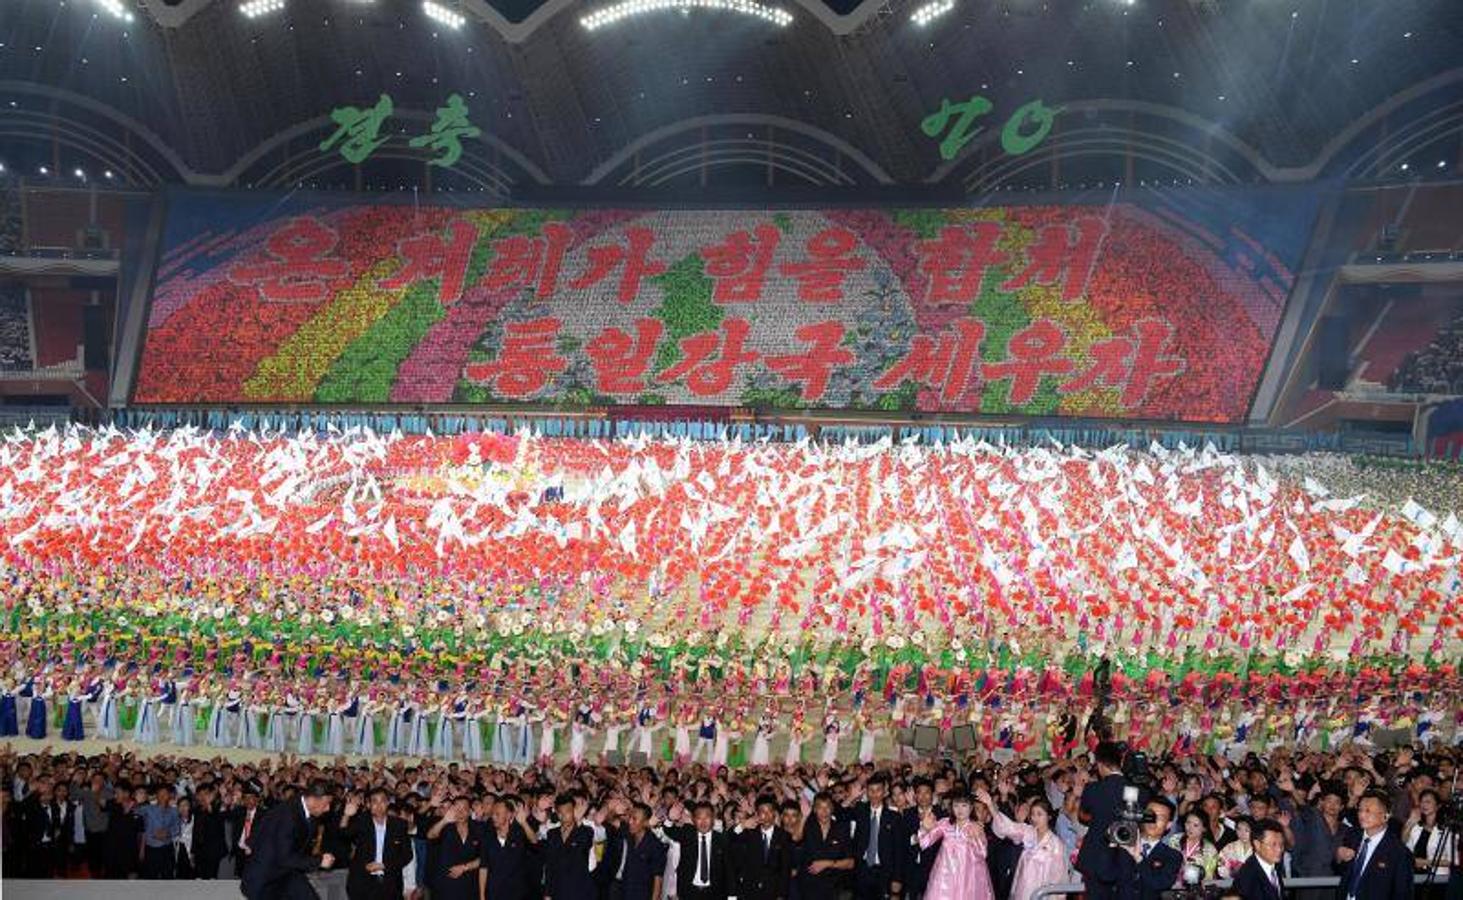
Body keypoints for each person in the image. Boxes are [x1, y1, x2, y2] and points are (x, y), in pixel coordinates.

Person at [239, 780, 337, 900]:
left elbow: (265, 823)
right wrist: (319, 861)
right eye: (326, 804)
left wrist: (252, 842)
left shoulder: (300, 805)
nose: (328, 809)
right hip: (265, 881)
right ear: (312, 799)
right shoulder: (288, 815)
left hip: (286, 873)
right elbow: (285, 857)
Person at [976, 787, 1069, 900]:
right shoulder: (1028, 831)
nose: (1035, 818)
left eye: (1039, 814)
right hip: (1023, 889)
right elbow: (1007, 827)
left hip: (1043, 891)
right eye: (1033, 814)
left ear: (1049, 816)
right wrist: (990, 804)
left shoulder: (1056, 844)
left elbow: (1059, 877)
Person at [1334, 791, 1416, 900]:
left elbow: (1403, 893)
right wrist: (1338, 857)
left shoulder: (1399, 852)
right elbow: (1339, 870)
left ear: (1386, 816)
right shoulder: (1352, 836)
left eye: (1368, 811)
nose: (1362, 815)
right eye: (1360, 810)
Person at [917, 789, 994, 900]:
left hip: (967, 877)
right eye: (956, 806)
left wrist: (976, 838)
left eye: (964, 806)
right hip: (944, 877)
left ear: (971, 808)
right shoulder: (945, 823)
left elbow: (983, 853)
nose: (960, 810)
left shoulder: (975, 827)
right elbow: (924, 843)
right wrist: (924, 828)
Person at [1077, 742, 1129, 900]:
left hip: (1096, 857)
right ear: (1121, 761)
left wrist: (1098, 818)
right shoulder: (1137, 790)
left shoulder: (1093, 789)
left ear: (1100, 764)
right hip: (1126, 858)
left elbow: (1082, 816)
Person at [342, 788, 412, 900]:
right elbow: (343, 835)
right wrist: (346, 816)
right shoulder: (362, 821)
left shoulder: (399, 824)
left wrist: (384, 865)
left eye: (382, 801)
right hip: (362, 882)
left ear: (388, 803)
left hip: (390, 883)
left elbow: (407, 855)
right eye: (374, 801)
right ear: (368, 804)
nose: (379, 805)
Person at [1108, 798, 1182, 900]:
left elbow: (1159, 884)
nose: (1153, 820)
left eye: (1160, 817)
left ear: (1168, 825)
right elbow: (1104, 875)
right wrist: (1110, 846)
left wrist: (1139, 858)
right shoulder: (1123, 843)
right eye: (1150, 815)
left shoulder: (1173, 856)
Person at [845, 775, 904, 900]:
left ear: (884, 792)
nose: (874, 794)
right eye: (871, 790)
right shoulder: (860, 810)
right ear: (866, 792)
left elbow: (899, 850)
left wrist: (897, 878)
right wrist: (851, 797)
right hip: (862, 870)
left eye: (878, 790)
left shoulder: (894, 817)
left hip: (884, 871)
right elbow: (838, 815)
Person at [665, 800, 733, 900]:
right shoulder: (687, 834)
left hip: (715, 893)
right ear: (693, 820)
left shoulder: (721, 839)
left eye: (707, 817)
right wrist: (670, 819)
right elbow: (669, 831)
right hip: (689, 892)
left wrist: (732, 896)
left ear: (713, 818)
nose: (703, 822)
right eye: (699, 818)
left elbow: (729, 869)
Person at [543, 793, 602, 900]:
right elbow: (549, 865)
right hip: (558, 890)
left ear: (573, 811)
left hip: (580, 890)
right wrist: (547, 893)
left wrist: (578, 823)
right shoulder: (552, 834)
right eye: (560, 812)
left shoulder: (586, 831)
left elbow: (585, 845)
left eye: (567, 811)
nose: (564, 815)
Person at [605, 801, 667, 900]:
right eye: (630, 817)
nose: (630, 821)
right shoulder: (628, 833)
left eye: (634, 819)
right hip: (624, 892)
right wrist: (614, 811)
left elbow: (658, 879)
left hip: (642, 895)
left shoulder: (655, 845)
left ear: (645, 822)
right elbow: (610, 819)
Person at [735, 795, 792, 900]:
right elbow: (730, 839)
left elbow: (785, 869)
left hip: (773, 891)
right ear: (757, 814)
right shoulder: (750, 832)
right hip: (751, 890)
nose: (766, 815)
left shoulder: (784, 836)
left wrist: (782, 895)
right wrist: (742, 825)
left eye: (770, 811)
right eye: (762, 811)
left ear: (774, 813)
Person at [426, 795, 482, 900]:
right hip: (445, 885)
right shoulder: (444, 826)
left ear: (470, 811)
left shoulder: (479, 828)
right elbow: (430, 836)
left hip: (470, 884)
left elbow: (486, 856)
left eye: (464, 809)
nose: (460, 813)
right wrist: (444, 820)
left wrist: (464, 867)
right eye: (457, 809)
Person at [480, 796, 536, 900]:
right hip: (494, 892)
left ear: (509, 814)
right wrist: (482, 896)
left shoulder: (519, 834)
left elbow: (534, 842)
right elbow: (483, 867)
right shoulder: (488, 837)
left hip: (517, 893)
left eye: (497, 814)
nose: (493, 817)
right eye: (492, 814)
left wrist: (524, 822)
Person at [1232, 818, 1286, 900]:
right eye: (1273, 844)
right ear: (1257, 844)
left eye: (1281, 844)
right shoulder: (1248, 875)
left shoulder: (1274, 867)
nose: (1279, 849)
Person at [140, 784, 182, 878]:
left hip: (167, 848)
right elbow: (140, 825)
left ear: (169, 795)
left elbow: (177, 828)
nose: (162, 796)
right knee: (151, 876)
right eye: (160, 794)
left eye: (165, 794)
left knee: (167, 875)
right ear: (156, 795)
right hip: (152, 848)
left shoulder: (174, 811)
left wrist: (168, 833)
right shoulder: (148, 809)